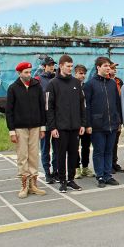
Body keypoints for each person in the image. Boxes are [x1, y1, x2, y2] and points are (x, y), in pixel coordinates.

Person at [6, 62, 47, 199]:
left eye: (30, 72)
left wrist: (43, 127)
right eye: (26, 72)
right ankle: (24, 186)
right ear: (19, 73)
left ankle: (33, 185)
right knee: (23, 156)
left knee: (34, 156)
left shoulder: (37, 86)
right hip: (20, 128)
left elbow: (42, 107)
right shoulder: (13, 88)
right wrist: (12, 131)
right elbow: (9, 111)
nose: (29, 75)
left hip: (35, 127)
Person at [46, 55, 86, 193]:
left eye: (71, 66)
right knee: (61, 155)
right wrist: (52, 127)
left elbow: (82, 105)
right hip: (60, 128)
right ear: (61, 65)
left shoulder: (76, 83)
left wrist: (82, 123)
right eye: (68, 66)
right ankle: (62, 181)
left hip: (75, 126)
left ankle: (71, 179)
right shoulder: (53, 83)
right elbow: (49, 107)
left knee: (74, 154)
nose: (70, 68)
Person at [84, 57, 122, 188]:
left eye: (109, 66)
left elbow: (117, 103)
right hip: (97, 124)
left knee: (109, 150)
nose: (108, 68)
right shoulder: (90, 84)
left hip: (112, 123)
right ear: (98, 67)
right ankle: (100, 176)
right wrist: (88, 124)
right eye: (105, 66)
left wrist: (119, 121)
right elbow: (86, 106)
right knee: (99, 151)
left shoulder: (112, 83)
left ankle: (108, 175)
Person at [36, 57, 58, 184]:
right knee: (45, 147)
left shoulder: (57, 78)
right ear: (44, 66)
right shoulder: (39, 80)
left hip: (56, 118)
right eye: (49, 65)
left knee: (57, 147)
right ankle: (47, 172)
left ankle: (56, 171)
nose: (51, 67)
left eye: (52, 65)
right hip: (44, 119)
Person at [74, 65, 95, 179]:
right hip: (75, 123)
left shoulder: (87, 87)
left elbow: (89, 106)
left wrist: (88, 124)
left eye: (83, 73)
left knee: (86, 146)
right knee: (75, 147)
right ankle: (76, 168)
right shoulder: (71, 86)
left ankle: (85, 167)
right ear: (75, 73)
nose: (82, 75)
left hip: (86, 122)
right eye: (80, 73)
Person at [109, 63, 124, 174]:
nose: (114, 71)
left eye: (115, 69)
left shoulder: (119, 81)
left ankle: (114, 162)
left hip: (117, 115)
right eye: (112, 68)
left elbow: (121, 101)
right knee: (108, 143)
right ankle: (108, 164)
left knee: (115, 141)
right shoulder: (105, 81)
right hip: (108, 117)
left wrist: (121, 119)